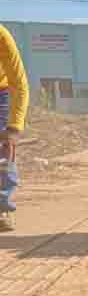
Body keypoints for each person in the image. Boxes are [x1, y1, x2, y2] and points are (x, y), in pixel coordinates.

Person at [0, 25, 30, 232]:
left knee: (3, 150)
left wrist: (14, 128)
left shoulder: (2, 36)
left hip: (0, 91)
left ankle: (1, 206)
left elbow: (19, 85)